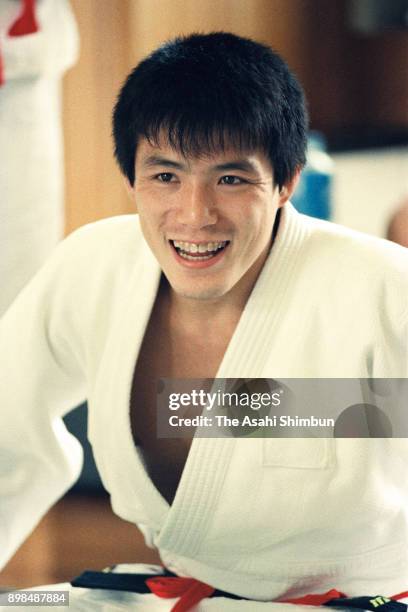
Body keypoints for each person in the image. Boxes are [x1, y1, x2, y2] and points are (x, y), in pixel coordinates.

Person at [0, 32, 408, 609]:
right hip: (174, 595)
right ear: (131, 178)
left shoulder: (384, 287)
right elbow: (5, 426)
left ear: (287, 181)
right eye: (165, 176)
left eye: (231, 179)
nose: (195, 215)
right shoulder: (93, 267)